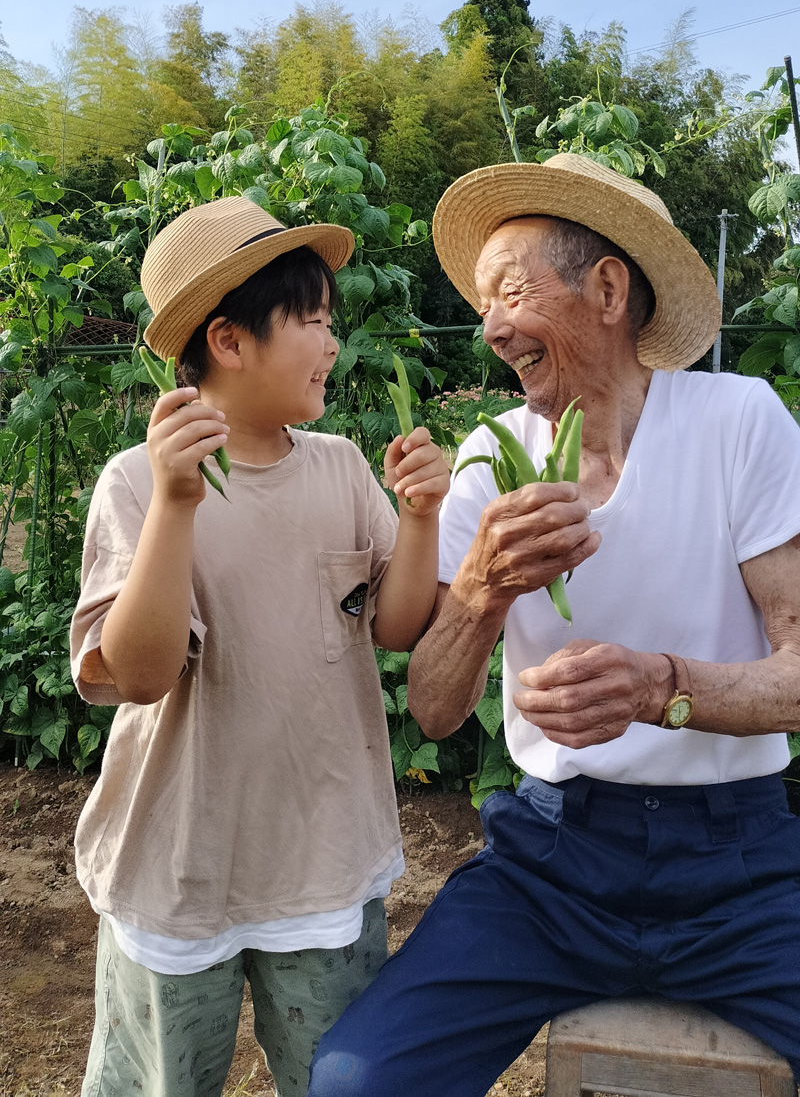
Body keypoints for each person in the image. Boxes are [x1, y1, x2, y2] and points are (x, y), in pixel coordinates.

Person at [308, 154, 800, 1097]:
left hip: (741, 867)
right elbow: (438, 708)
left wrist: (663, 686)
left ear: (608, 288)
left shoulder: (737, 421)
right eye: (485, 303)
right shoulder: (493, 458)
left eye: (510, 293)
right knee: (355, 1081)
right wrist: (485, 588)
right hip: (550, 863)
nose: (490, 327)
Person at [70, 196, 450, 1097]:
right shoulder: (137, 484)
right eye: (312, 320)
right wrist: (176, 505)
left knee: (335, 1080)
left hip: (321, 859)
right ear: (230, 340)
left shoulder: (340, 468)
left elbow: (395, 626)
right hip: (179, 864)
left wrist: (423, 518)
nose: (332, 343)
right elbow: (142, 673)